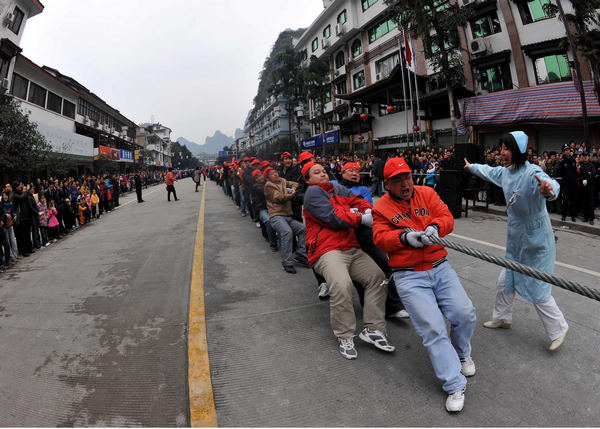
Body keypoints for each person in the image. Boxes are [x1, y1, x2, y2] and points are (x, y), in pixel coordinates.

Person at [372, 157, 476, 412]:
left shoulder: (427, 193)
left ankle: (462, 352)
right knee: (433, 328)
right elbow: (380, 238)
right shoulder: (381, 207)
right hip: (409, 276)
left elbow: (446, 217)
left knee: (465, 313)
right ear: (387, 184)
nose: (405, 183)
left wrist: (434, 226)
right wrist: (405, 237)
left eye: (407, 177)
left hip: (440, 267)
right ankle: (454, 384)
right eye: (397, 180)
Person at [465, 131, 569, 353]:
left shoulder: (532, 172)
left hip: (536, 239)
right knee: (506, 278)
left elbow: (551, 185)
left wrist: (548, 190)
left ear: (518, 151)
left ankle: (559, 329)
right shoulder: (505, 172)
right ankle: (502, 317)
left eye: (506, 149)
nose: (501, 153)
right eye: (500, 148)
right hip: (516, 238)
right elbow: (488, 171)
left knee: (537, 285)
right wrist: (471, 166)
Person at [303, 161, 394, 360]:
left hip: (351, 247)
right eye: (316, 173)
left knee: (378, 278)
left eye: (323, 171)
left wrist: (366, 210)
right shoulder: (312, 194)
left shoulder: (337, 188)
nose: (323, 174)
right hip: (327, 250)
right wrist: (360, 218)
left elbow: (358, 200)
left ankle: (374, 328)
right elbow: (332, 216)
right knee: (341, 285)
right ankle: (345, 335)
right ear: (308, 180)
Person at [263, 167, 308, 274]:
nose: (275, 174)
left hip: (288, 216)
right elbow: (278, 198)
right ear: (268, 177)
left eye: (275, 172)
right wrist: (290, 196)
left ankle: (301, 253)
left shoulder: (282, 180)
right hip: (276, 216)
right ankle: (287, 262)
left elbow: (295, 184)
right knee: (287, 232)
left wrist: (292, 189)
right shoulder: (268, 186)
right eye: (272, 174)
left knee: (303, 229)